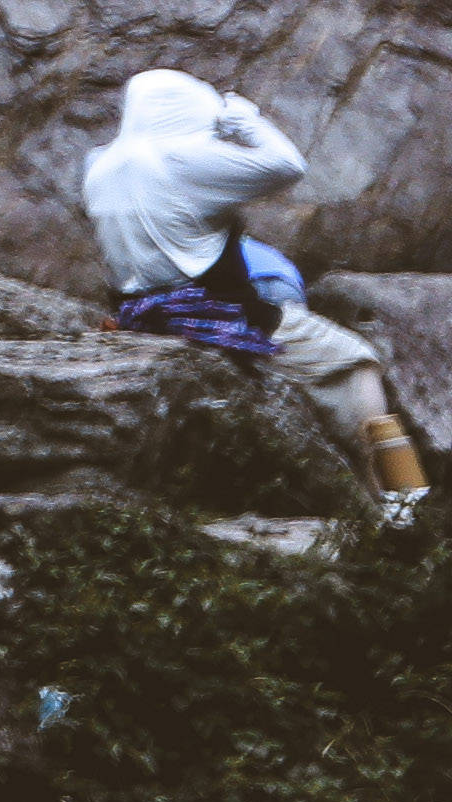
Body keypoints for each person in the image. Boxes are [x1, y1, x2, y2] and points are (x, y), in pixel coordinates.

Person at [86, 67, 431, 521]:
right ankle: (400, 510)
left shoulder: (101, 165)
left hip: (141, 313)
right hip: (211, 316)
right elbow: (288, 165)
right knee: (356, 361)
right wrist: (245, 121)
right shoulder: (175, 160)